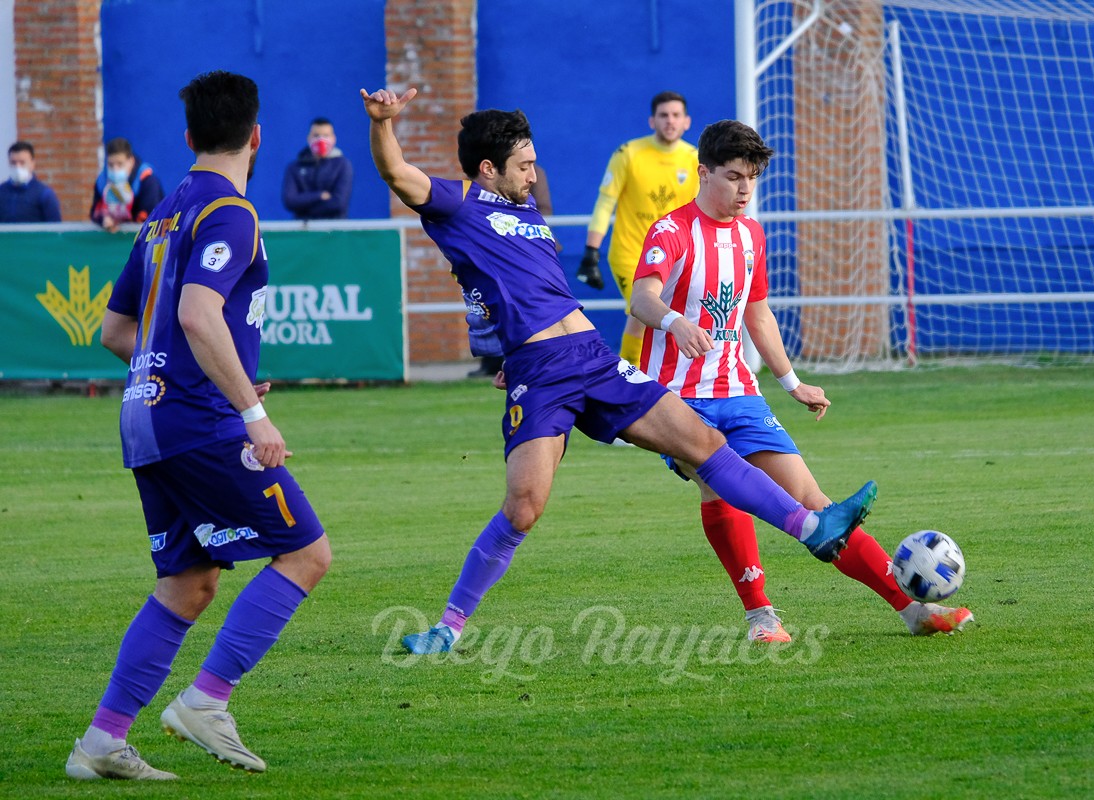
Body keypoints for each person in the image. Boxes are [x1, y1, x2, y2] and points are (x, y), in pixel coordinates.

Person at [360, 86, 877, 655]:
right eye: (524, 166)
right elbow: (397, 172)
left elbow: (519, 285)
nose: (534, 175)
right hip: (542, 374)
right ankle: (447, 629)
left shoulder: (526, 211)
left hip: (594, 359)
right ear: (488, 169)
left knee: (702, 442)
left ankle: (813, 527)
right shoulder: (459, 204)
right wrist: (383, 124)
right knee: (524, 507)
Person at [66, 70, 332, 781]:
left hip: (145, 420)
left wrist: (216, 375)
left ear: (186, 138)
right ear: (257, 136)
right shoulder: (232, 213)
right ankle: (206, 701)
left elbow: (117, 331)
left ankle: (100, 744)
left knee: (188, 582)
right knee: (307, 554)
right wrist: (251, 410)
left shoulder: (161, 214)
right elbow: (196, 314)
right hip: (198, 422)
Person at [630, 120, 974, 639]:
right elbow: (641, 298)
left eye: (752, 179)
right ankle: (761, 616)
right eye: (733, 177)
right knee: (718, 487)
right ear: (703, 173)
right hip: (678, 401)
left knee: (818, 505)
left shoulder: (751, 235)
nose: (744, 190)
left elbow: (758, 314)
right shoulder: (671, 231)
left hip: (740, 392)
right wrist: (675, 321)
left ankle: (914, 610)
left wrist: (793, 384)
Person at [579, 91, 698, 365]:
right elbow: (605, 202)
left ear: (687, 122)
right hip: (630, 253)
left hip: (676, 254)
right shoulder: (629, 154)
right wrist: (591, 251)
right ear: (651, 121)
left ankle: (662, 380)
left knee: (674, 317)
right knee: (641, 314)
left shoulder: (695, 159)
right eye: (664, 115)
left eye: (676, 115)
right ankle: (631, 379)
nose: (670, 121)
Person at [467, 163, 556, 378]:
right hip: (492, 247)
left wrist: (521, 228)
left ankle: (536, 358)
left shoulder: (536, 173)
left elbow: (544, 208)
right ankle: (491, 360)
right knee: (489, 301)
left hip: (524, 249)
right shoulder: (481, 176)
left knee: (528, 304)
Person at [282, 117, 353, 219]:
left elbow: (339, 204)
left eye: (326, 135)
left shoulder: (343, 165)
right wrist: (320, 195)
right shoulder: (294, 167)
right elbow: (290, 201)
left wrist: (304, 208)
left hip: (335, 230)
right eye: (316, 135)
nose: (321, 140)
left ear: (334, 138)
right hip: (303, 230)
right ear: (308, 138)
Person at [90, 137, 165, 232]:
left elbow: (152, 216)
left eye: (120, 164)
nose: (115, 169)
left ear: (131, 161)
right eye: (111, 164)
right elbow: (94, 212)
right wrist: (104, 219)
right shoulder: (102, 183)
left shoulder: (148, 181)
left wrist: (124, 224)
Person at [0, 141, 62, 222]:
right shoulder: (2, 192)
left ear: (32, 164)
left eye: (22, 162)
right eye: (13, 162)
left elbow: (55, 229)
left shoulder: (44, 194)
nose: (17, 167)